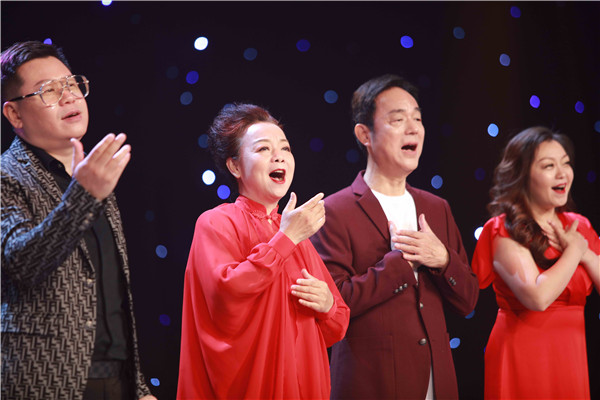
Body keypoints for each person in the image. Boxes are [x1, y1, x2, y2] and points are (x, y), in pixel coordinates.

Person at [1, 41, 156, 400]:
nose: (69, 96)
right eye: (49, 90)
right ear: (15, 114)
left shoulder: (93, 176)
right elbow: (23, 264)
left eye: (71, 84)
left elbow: (113, 294)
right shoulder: (7, 176)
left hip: (117, 380)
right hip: (44, 382)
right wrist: (83, 195)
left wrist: (138, 386)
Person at [310, 74, 479, 399]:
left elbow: (468, 300)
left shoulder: (437, 207)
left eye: (417, 119)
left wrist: (443, 259)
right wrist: (399, 265)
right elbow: (332, 307)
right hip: (371, 385)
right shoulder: (335, 210)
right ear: (365, 134)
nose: (413, 128)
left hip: (437, 383)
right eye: (398, 120)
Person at [177, 103, 349, 399]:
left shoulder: (297, 235)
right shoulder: (216, 222)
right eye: (263, 149)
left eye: (285, 148)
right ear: (235, 167)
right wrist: (286, 239)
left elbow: (338, 323)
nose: (279, 156)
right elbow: (226, 294)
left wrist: (327, 305)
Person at [471, 126, 600, 399]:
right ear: (523, 175)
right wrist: (574, 252)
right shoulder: (503, 229)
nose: (562, 173)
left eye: (565, 163)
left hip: (570, 355)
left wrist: (586, 253)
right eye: (548, 166)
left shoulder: (579, 226)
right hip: (522, 356)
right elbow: (538, 297)